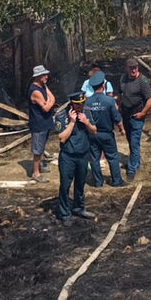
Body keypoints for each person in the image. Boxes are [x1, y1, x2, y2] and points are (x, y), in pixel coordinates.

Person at [53, 93, 97, 222]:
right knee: (65, 185)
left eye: (82, 103)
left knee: (80, 184)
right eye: (78, 104)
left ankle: (79, 208)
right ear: (72, 103)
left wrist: (86, 122)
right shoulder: (62, 116)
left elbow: (94, 131)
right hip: (68, 156)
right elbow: (62, 138)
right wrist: (72, 122)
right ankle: (64, 213)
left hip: (83, 155)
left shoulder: (86, 112)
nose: (80, 106)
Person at [117, 58, 151, 182]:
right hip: (125, 114)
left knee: (134, 142)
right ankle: (136, 162)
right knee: (130, 140)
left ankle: (132, 169)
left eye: (135, 67)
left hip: (137, 116)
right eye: (131, 68)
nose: (134, 70)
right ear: (127, 68)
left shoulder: (142, 81)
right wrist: (119, 107)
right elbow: (119, 94)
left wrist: (143, 113)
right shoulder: (123, 78)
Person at [85, 71, 126, 188]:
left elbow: (87, 119)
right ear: (103, 85)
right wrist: (122, 129)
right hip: (107, 134)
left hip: (93, 134)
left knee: (94, 158)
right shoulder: (109, 101)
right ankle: (116, 181)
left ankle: (98, 182)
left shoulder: (88, 102)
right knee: (112, 157)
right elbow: (117, 118)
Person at [28, 64, 56, 183]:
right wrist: (50, 101)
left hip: (46, 122)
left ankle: (40, 165)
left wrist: (50, 101)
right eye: (44, 75)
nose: (46, 77)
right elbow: (46, 107)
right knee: (37, 149)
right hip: (38, 123)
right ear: (38, 76)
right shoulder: (35, 90)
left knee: (42, 146)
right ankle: (36, 173)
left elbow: (52, 98)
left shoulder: (43, 86)